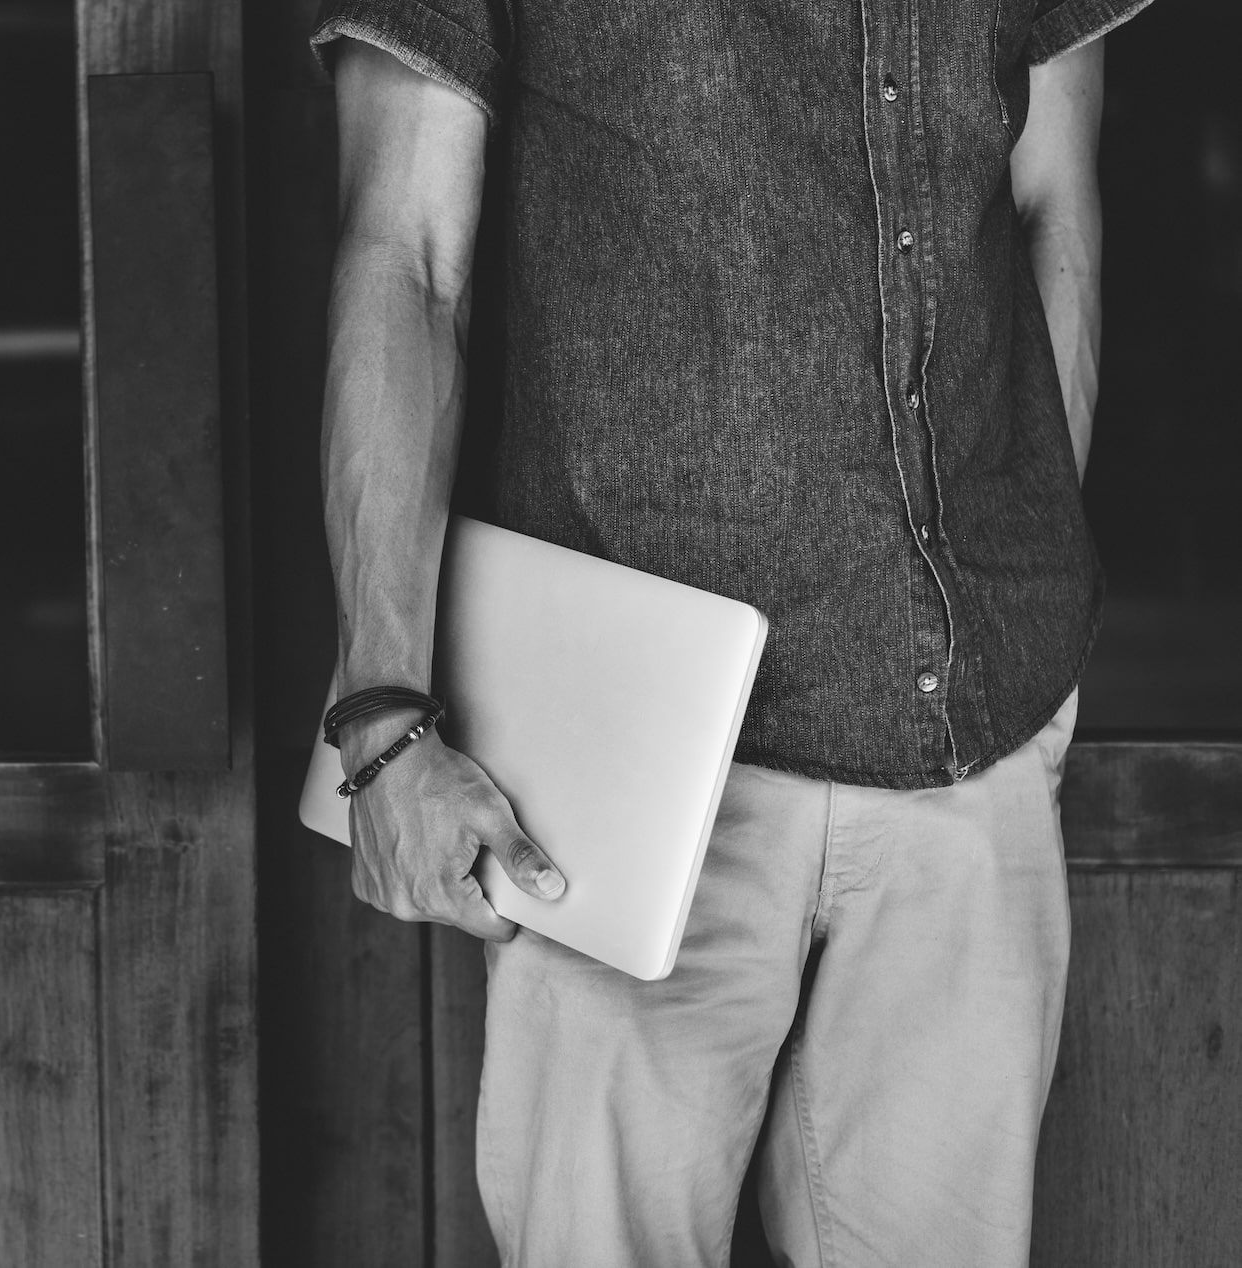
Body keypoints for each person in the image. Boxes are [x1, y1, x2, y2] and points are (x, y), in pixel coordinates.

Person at [311, 0, 1156, 1263]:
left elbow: (1051, 197)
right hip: (633, 767)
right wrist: (381, 707)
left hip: (972, 720)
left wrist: (1013, 548)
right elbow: (404, 249)